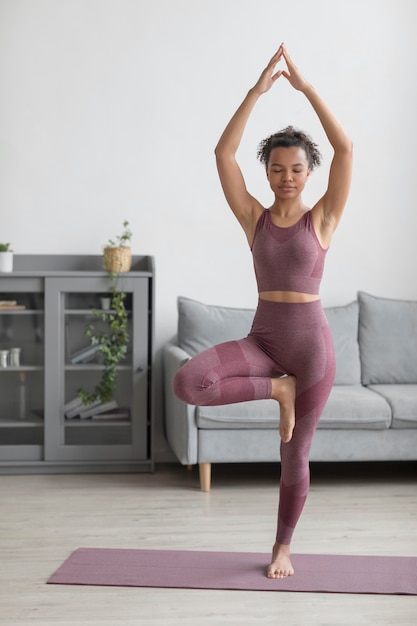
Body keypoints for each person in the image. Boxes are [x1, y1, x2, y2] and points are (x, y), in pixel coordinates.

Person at [173, 43, 353, 579]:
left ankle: (282, 547)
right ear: (269, 173)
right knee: (190, 382)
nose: (287, 177)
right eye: (277, 169)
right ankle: (279, 390)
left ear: (308, 172)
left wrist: (306, 89)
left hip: (311, 349)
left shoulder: (322, 218)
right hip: (265, 340)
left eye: (296, 168)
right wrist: (256, 92)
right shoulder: (253, 217)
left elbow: (345, 150)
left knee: (294, 459)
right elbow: (223, 156)